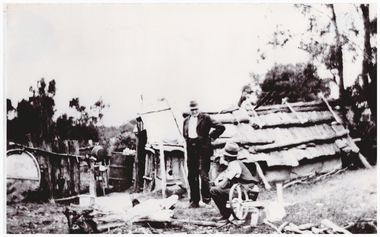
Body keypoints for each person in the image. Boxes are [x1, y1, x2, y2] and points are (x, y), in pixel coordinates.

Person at [183, 100, 225, 208]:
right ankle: (194, 201)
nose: (194, 111)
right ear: (189, 110)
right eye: (192, 110)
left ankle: (207, 201)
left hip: (202, 150)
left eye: (196, 109)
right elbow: (185, 135)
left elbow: (220, 127)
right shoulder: (186, 121)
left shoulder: (206, 118)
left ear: (199, 108)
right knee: (192, 176)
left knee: (204, 176)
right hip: (191, 150)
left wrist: (210, 137)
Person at [210, 141, 259, 222]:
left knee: (214, 191)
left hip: (248, 192)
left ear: (226, 157)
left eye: (224, 155)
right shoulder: (236, 163)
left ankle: (226, 215)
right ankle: (229, 214)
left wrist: (216, 185)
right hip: (248, 190)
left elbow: (223, 185)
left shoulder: (233, 165)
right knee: (222, 190)